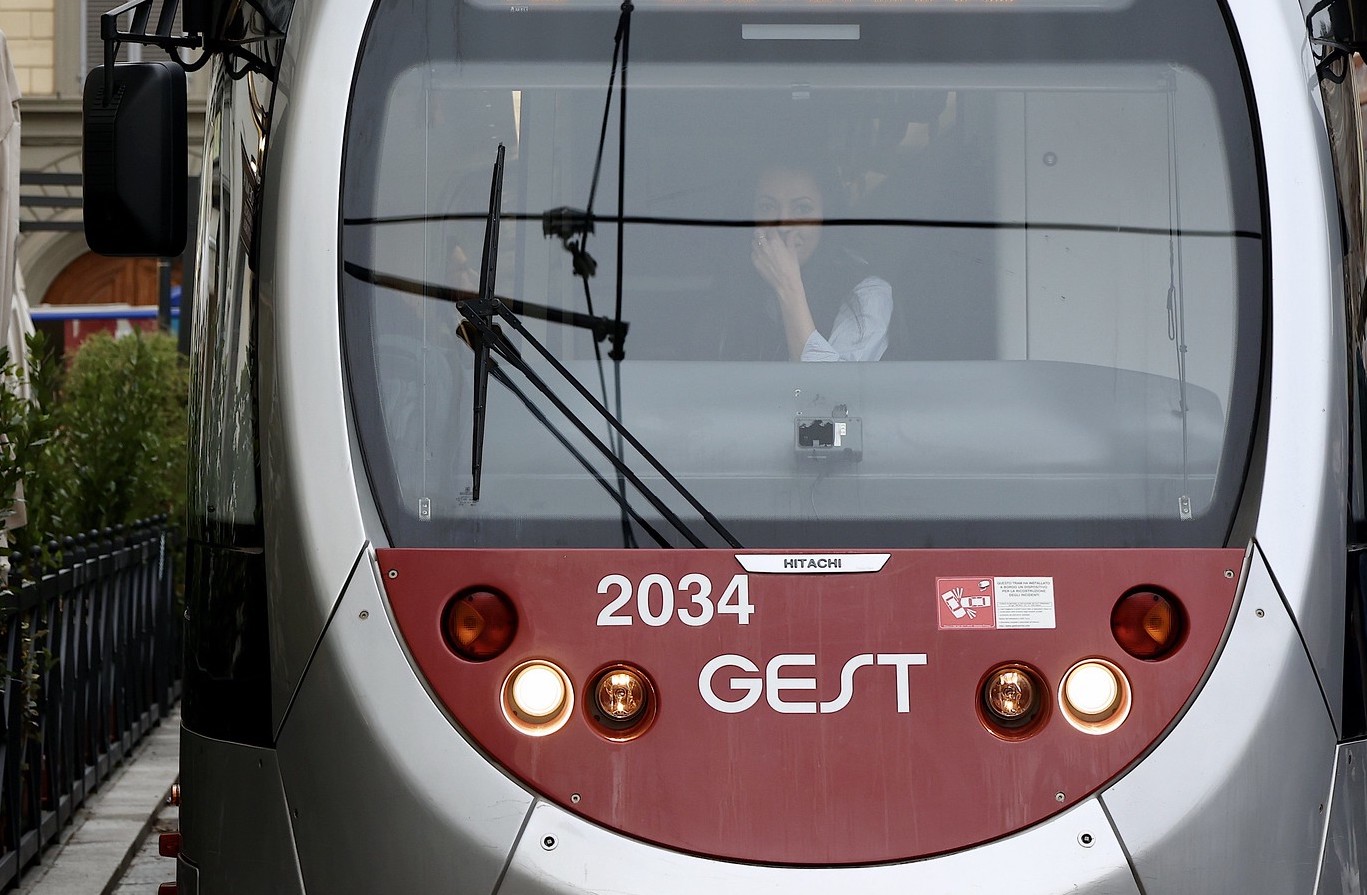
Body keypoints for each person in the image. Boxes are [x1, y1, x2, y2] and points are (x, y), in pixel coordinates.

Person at [735, 163, 893, 362]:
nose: (783, 225)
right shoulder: (735, 286)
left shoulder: (866, 293)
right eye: (767, 206)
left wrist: (787, 285)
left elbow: (829, 390)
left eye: (802, 208)